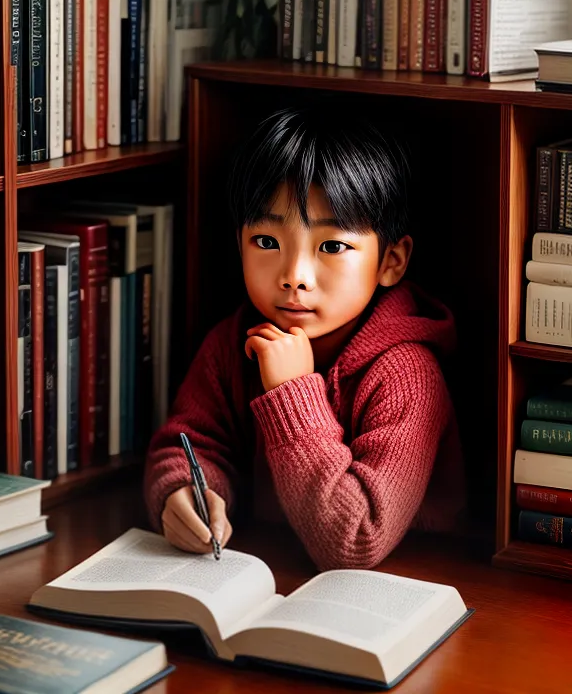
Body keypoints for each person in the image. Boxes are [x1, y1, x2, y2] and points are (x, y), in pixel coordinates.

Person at [143, 106, 466, 570]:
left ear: (391, 261)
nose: (294, 277)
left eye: (332, 246)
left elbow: (355, 541)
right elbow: (191, 445)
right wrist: (186, 494)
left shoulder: (408, 375)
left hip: (409, 582)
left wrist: (292, 394)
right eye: (267, 243)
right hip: (269, 566)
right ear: (239, 244)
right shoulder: (234, 343)